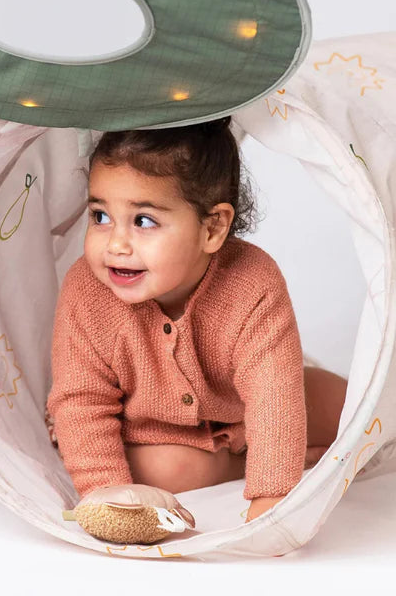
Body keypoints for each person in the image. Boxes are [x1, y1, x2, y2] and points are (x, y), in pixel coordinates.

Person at [47, 118, 348, 525]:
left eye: (143, 221)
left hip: (240, 408)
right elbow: (82, 400)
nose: (115, 244)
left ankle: (276, 455)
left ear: (212, 228)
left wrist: (272, 498)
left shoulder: (252, 280)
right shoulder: (86, 289)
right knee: (168, 471)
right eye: (100, 216)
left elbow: (274, 394)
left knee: (343, 404)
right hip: (147, 429)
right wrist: (108, 492)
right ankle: (238, 465)